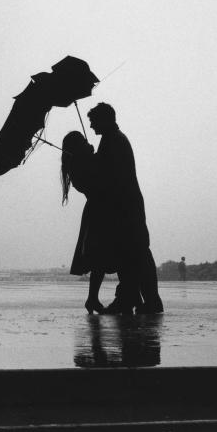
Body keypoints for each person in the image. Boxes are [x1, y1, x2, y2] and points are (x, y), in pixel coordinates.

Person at [87, 103, 163, 315]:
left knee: (130, 254)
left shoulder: (113, 141)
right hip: (128, 207)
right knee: (136, 253)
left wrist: (93, 162)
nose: (91, 126)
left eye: (93, 121)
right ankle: (140, 300)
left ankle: (132, 300)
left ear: (105, 119)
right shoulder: (114, 139)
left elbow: (111, 177)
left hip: (124, 208)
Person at [61, 131, 117, 314]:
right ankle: (92, 298)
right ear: (78, 146)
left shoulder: (76, 165)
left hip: (97, 210)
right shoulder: (80, 166)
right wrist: (94, 158)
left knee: (98, 258)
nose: (87, 142)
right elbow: (99, 181)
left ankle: (92, 298)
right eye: (83, 141)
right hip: (99, 212)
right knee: (99, 257)